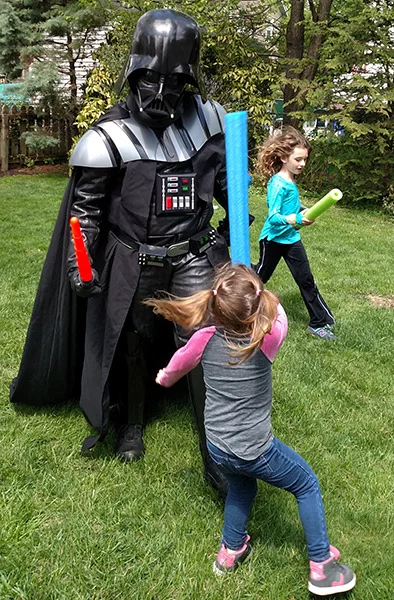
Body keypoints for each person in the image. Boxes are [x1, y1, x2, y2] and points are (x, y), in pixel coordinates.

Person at [10, 8, 234, 496]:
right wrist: (80, 263)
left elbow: (228, 189)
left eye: (174, 82)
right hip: (135, 257)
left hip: (193, 254)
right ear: (133, 72)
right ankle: (131, 422)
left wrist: (237, 239)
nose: (160, 93)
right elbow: (85, 211)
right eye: (150, 79)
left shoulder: (212, 122)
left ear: (189, 79)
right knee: (132, 342)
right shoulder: (107, 136)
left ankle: (217, 448)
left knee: (204, 344)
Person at [146, 263, 356, 596]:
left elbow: (178, 363)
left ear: (214, 305)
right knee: (306, 484)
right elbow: (280, 314)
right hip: (255, 448)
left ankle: (230, 552)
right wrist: (264, 294)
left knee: (243, 489)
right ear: (257, 306)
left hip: (217, 445)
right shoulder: (266, 337)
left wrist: (165, 378)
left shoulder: (203, 339)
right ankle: (322, 566)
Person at [254, 126, 337, 340]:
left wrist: (303, 210)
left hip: (291, 239)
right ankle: (236, 305)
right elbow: (273, 217)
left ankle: (319, 322)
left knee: (306, 279)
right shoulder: (278, 184)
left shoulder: (290, 181)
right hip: (272, 239)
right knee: (258, 277)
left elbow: (293, 206)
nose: (302, 164)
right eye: (298, 159)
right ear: (283, 157)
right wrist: (298, 219)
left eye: (305, 160)